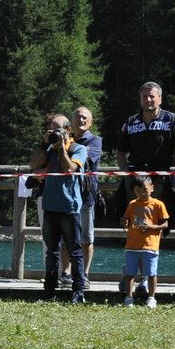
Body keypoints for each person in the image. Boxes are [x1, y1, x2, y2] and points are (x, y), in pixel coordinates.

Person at [30, 111, 87, 302]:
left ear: (69, 130)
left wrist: (61, 147)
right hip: (50, 207)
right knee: (51, 252)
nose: (55, 133)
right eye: (51, 130)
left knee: (74, 251)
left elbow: (70, 168)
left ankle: (78, 291)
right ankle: (49, 291)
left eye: (58, 130)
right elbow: (33, 164)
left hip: (69, 207)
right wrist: (46, 144)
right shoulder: (48, 149)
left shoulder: (79, 148)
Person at [115, 81, 175, 227]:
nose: (148, 100)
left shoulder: (171, 119)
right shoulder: (131, 121)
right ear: (140, 99)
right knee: (133, 220)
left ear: (160, 99)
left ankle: (153, 249)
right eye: (144, 97)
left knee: (158, 220)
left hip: (160, 179)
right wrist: (125, 174)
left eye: (152, 96)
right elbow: (121, 151)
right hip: (135, 179)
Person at [67, 105, 102, 285]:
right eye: (78, 117)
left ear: (90, 122)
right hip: (66, 195)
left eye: (85, 118)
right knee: (65, 235)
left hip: (86, 195)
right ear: (71, 121)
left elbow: (85, 161)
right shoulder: (65, 139)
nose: (81, 120)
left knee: (86, 238)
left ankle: (84, 274)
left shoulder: (95, 141)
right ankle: (65, 273)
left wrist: (68, 148)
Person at [120, 173, 168, 308]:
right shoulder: (132, 204)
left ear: (152, 188)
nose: (141, 193)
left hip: (150, 245)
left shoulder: (158, 204)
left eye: (145, 190)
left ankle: (151, 298)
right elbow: (127, 220)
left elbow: (165, 225)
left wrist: (151, 227)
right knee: (129, 273)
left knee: (152, 273)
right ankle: (129, 297)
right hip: (132, 245)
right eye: (138, 190)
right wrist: (124, 222)